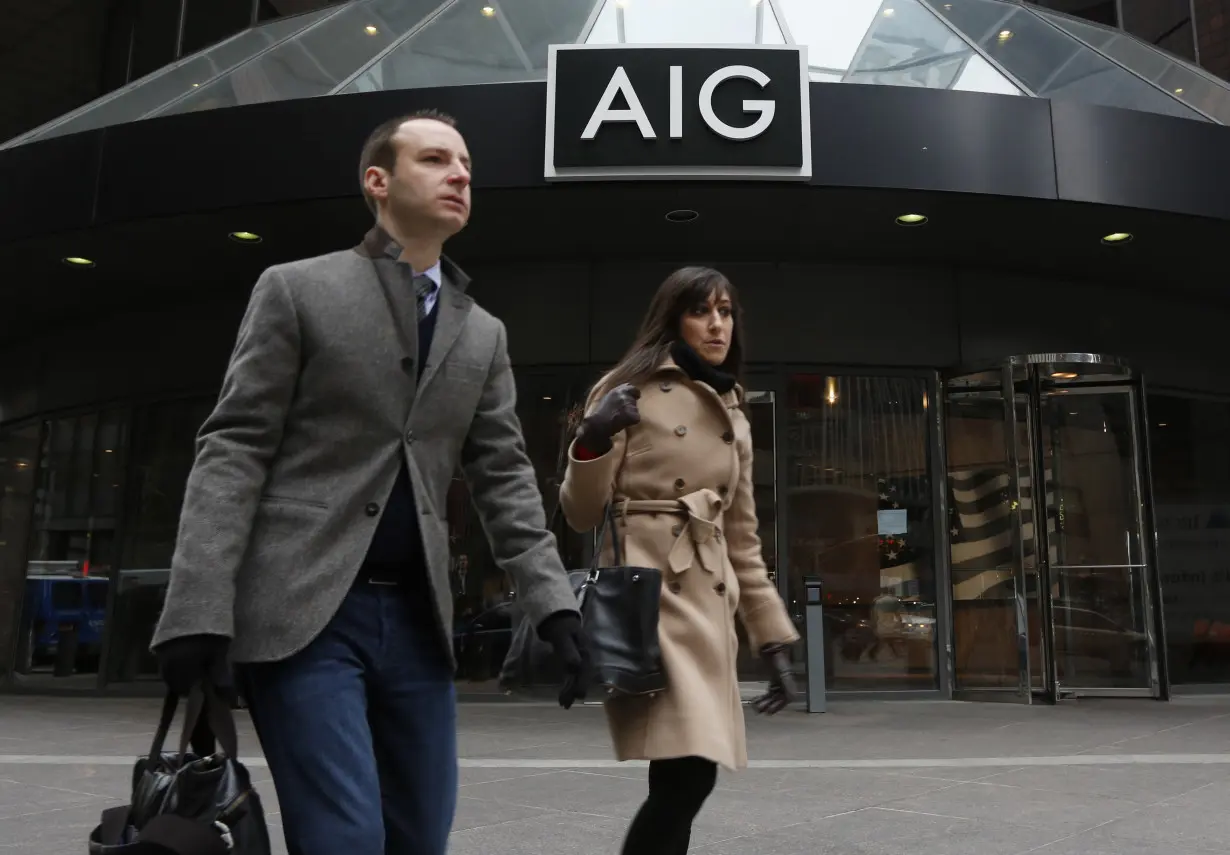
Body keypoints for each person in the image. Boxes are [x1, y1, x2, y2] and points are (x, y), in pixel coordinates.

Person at [149, 109, 586, 855]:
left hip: (419, 623)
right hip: (303, 614)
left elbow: (505, 476)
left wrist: (554, 606)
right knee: (344, 837)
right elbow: (235, 448)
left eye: (466, 166)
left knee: (419, 835)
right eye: (436, 159)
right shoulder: (297, 290)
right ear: (378, 182)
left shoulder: (482, 332)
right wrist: (197, 608)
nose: (459, 175)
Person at [558, 266, 800, 855]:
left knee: (685, 775)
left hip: (709, 604)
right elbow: (581, 514)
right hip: (653, 599)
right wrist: (591, 439)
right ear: (673, 319)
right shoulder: (625, 388)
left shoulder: (732, 410)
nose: (717, 324)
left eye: (725, 311)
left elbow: (742, 537)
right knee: (688, 774)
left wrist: (771, 639)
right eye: (701, 311)